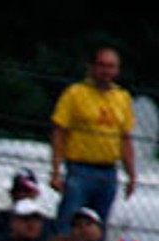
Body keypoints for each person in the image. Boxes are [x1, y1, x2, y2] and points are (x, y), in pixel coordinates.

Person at [50, 46, 136, 231]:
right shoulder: (75, 93)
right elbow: (58, 132)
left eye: (111, 66)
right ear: (92, 67)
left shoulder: (122, 98)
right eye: (102, 65)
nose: (106, 71)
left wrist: (131, 175)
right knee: (68, 221)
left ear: (117, 70)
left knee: (98, 227)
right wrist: (56, 171)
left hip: (109, 172)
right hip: (80, 169)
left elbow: (125, 138)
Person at [0, 168, 45, 241]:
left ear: (36, 193)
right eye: (18, 190)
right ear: (11, 193)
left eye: (27, 191)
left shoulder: (48, 226)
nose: (21, 194)